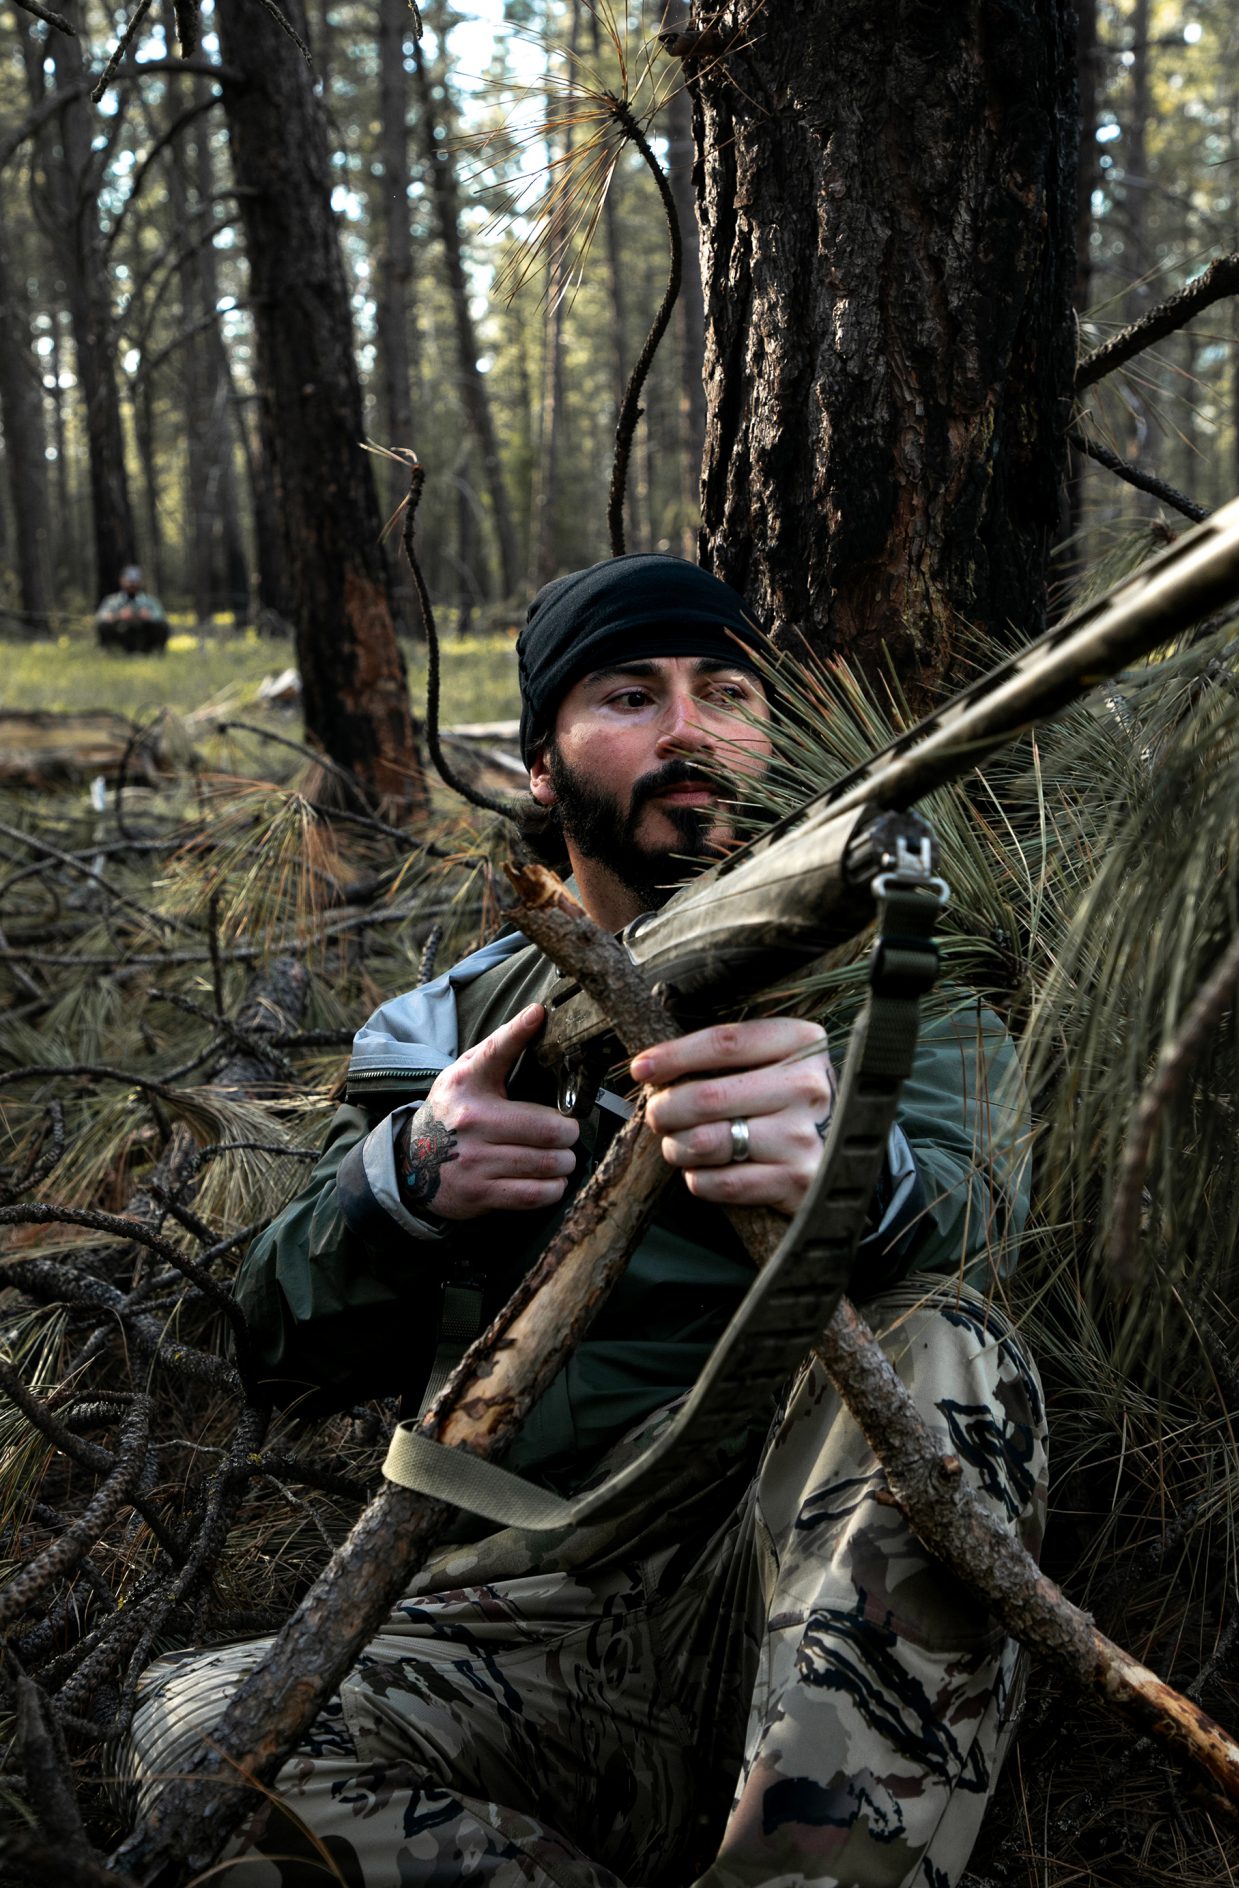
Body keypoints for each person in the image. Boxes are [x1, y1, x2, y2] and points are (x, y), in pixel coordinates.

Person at [122, 555, 1046, 1888]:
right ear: (543, 767)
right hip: (521, 1616)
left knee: (945, 1339)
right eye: (630, 694)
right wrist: (402, 1191)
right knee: (202, 1745)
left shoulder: (901, 985)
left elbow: (989, 1232)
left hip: (803, 1584)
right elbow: (270, 1338)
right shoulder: (442, 1028)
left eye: (726, 692)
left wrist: (847, 1169)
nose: (690, 730)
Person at [94, 565, 169, 653]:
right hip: (121, 634)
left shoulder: (150, 601)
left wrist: (150, 616)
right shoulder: (112, 600)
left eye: (135, 581)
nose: (132, 584)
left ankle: (155, 650)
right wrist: (118, 616)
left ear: (141, 582)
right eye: (129, 580)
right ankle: (108, 649)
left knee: (162, 625)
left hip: (144, 635)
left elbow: (162, 616)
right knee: (103, 625)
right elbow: (100, 617)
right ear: (121, 580)